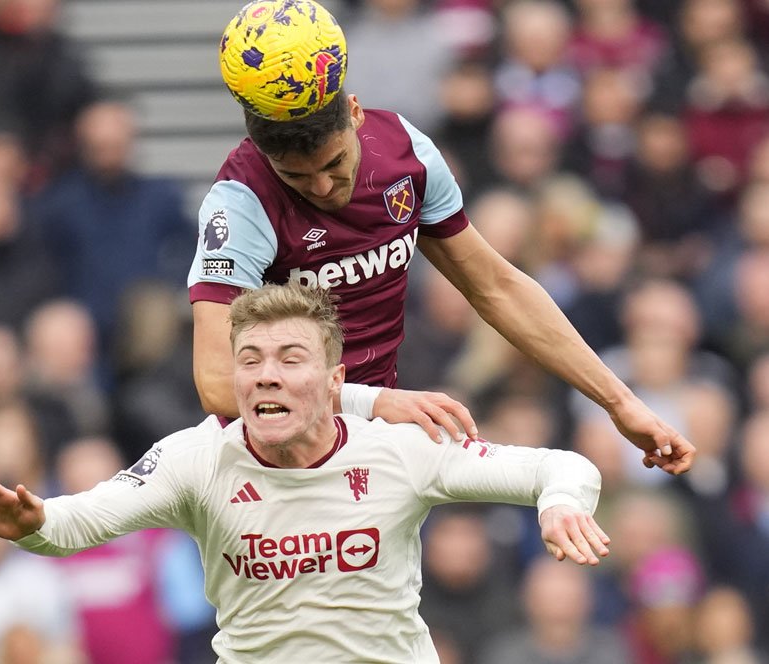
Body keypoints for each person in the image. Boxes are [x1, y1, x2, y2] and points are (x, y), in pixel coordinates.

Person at [0, 281, 610, 663]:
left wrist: (559, 503)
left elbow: (562, 465)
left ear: (333, 382)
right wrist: (32, 523)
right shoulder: (197, 459)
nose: (266, 373)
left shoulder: (398, 449)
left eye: (290, 358)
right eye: (251, 359)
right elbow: (77, 520)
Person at [188, 0, 693, 474]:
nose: (323, 189)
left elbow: (496, 287)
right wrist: (373, 401)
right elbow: (216, 384)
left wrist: (620, 403)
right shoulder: (241, 201)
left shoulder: (407, 153)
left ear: (356, 112)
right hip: (275, 459)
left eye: (335, 164)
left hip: (374, 446)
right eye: (297, 178)